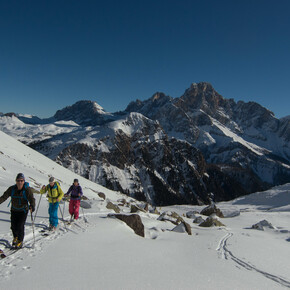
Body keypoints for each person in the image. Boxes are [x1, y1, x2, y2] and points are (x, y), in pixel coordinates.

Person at [0, 173, 35, 249]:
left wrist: (32, 206)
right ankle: (15, 237)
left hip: (23, 211)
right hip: (14, 210)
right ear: (16, 181)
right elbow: (4, 196)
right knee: (13, 226)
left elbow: (32, 199)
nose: (20, 182)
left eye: (21, 181)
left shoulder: (27, 190)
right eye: (18, 180)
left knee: (20, 225)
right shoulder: (12, 189)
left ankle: (20, 240)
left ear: (23, 181)